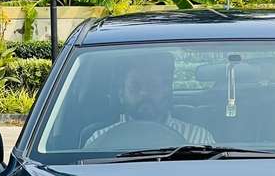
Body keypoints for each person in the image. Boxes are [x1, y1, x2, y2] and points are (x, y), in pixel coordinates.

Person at [84, 50, 215, 148]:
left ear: (168, 90)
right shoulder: (98, 141)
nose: (144, 93)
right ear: (121, 93)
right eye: (135, 86)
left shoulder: (198, 139)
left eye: (153, 86)